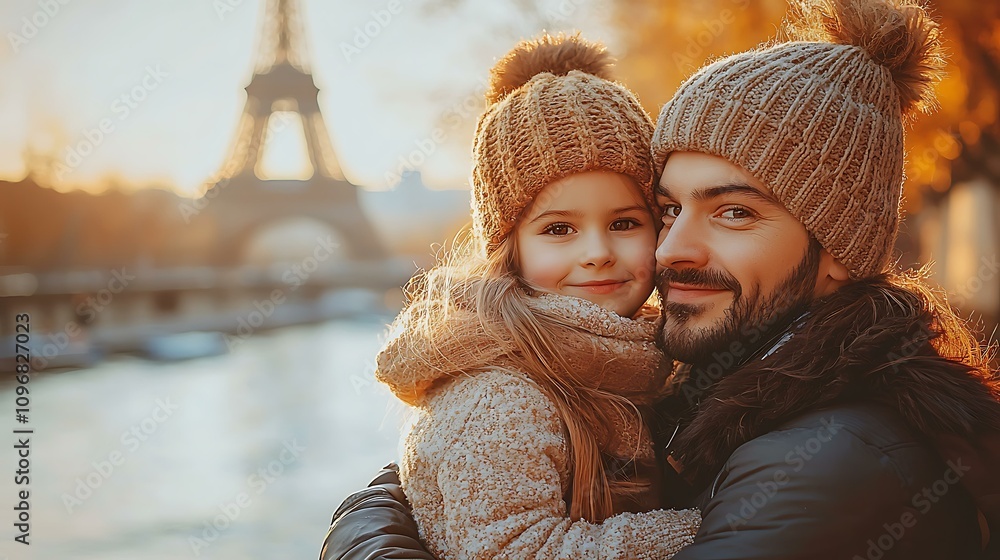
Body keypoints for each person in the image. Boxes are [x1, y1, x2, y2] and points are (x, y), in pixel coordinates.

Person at [319, 0, 1000, 558]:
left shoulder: (833, 463)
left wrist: (366, 529)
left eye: (734, 212)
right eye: (670, 210)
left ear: (839, 249)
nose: (672, 248)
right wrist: (390, 502)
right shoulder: (709, 386)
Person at [340, 33, 702, 560]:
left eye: (624, 222)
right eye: (559, 229)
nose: (597, 253)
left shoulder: (638, 357)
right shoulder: (500, 395)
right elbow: (511, 550)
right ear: (508, 249)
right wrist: (715, 528)